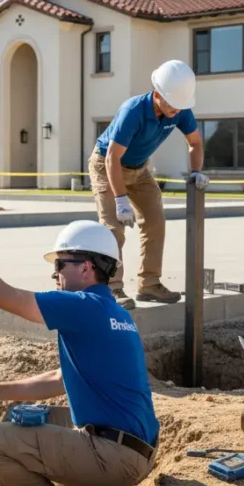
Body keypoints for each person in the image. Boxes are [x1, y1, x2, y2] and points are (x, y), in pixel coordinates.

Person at [0, 220, 160, 486]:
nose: (55, 272)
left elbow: (1, 295)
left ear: (86, 268)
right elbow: (59, 378)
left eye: (61, 263)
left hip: (116, 458)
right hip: (135, 448)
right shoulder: (114, 312)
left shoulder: (82, 305)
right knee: (25, 420)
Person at [90, 59, 208, 310]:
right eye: (172, 105)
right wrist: (120, 199)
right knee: (113, 228)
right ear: (157, 95)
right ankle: (112, 288)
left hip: (139, 169)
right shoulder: (133, 110)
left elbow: (195, 142)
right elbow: (112, 157)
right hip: (107, 165)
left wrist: (196, 171)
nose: (177, 111)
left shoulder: (180, 108)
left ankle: (149, 284)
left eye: (180, 106)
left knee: (155, 222)